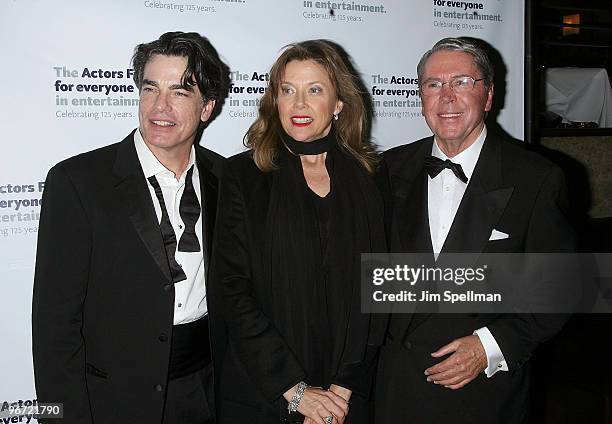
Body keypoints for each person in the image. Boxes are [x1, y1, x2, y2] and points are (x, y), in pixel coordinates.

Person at [374, 37, 575, 423]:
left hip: (482, 394)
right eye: (433, 85)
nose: (446, 96)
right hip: (397, 390)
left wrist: (490, 346)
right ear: (421, 97)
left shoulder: (536, 178)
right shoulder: (386, 170)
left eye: (462, 82)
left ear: (487, 96)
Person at [32, 31, 229, 424]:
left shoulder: (228, 178)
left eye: (180, 92)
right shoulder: (77, 182)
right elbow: (54, 328)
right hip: (111, 401)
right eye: (150, 88)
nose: (160, 106)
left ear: (207, 107)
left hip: (206, 393)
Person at [209, 40, 386, 424]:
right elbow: (231, 290)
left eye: (315, 90)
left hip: (348, 395)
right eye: (287, 90)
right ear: (275, 100)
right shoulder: (244, 176)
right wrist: (297, 392)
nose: (299, 104)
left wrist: (341, 390)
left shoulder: (370, 178)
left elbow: (379, 288)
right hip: (266, 392)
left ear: (339, 103)